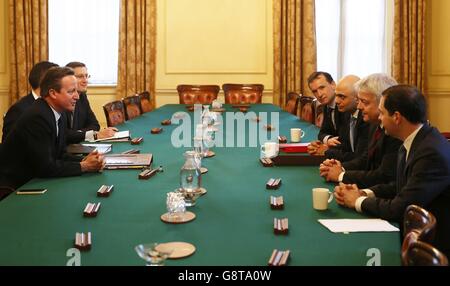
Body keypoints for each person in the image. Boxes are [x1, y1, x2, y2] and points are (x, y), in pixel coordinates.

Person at [334, 85, 450, 257]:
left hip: (432, 246)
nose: (379, 119)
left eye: (381, 113)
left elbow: (400, 208)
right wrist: (365, 193)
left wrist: (357, 201)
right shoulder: (415, 139)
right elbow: (400, 185)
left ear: (396, 117)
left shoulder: (430, 152)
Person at [0, 67, 105, 190]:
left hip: (35, 178)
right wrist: (84, 166)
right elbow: (45, 167)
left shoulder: (57, 112)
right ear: (53, 93)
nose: (77, 96)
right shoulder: (38, 116)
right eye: (71, 91)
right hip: (15, 186)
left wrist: (85, 159)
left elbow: (59, 154)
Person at [319, 74, 401, 188]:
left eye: (364, 102)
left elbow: (383, 176)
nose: (359, 107)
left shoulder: (395, 132)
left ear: (383, 102)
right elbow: (365, 159)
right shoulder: (374, 124)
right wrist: (340, 167)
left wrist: (341, 175)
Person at [308, 75, 369, 161]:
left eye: (341, 97)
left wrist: (327, 151)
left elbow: (360, 157)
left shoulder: (365, 118)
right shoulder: (346, 112)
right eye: (315, 91)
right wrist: (324, 145)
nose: (336, 101)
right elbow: (344, 144)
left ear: (357, 98)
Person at [2, 61, 58, 142]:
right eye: (57, 80)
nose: (61, 84)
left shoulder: (57, 108)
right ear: (44, 82)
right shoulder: (19, 110)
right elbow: (9, 148)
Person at [65, 62, 116, 143]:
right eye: (80, 76)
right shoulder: (62, 99)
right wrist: (92, 134)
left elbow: (95, 125)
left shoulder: (82, 96)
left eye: (86, 76)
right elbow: (64, 134)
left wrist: (78, 133)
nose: (85, 80)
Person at [307, 72, 345, 149]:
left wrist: (326, 149)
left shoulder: (344, 105)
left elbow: (345, 141)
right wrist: (328, 140)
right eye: (315, 91)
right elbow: (322, 133)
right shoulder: (327, 106)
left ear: (333, 85)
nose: (319, 94)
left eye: (322, 88)